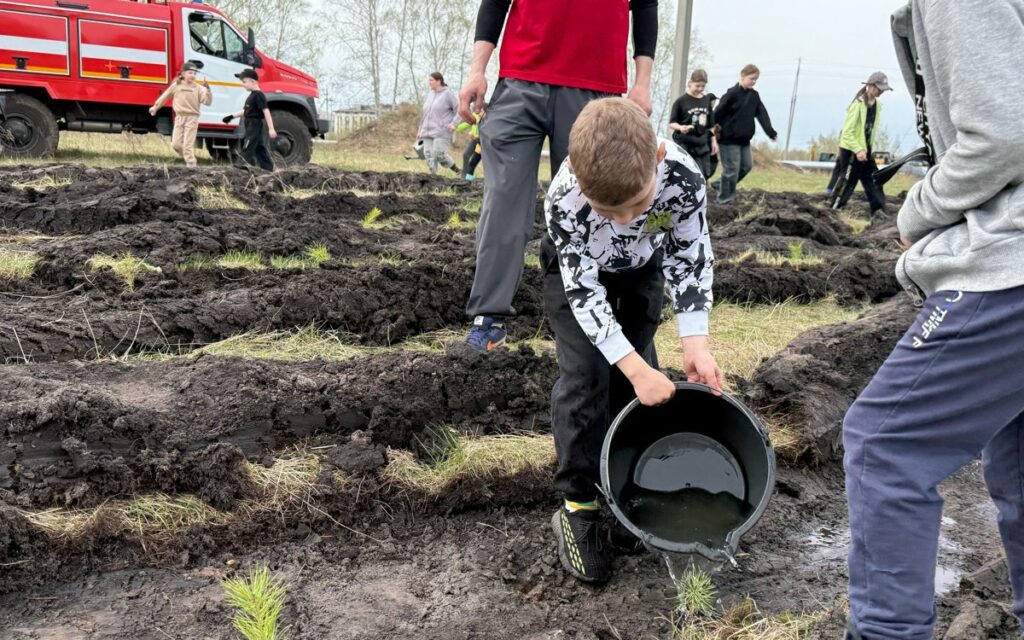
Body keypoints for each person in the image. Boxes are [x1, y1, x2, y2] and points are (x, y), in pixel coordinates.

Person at [843, 2, 1024, 638]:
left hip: (1010, 263)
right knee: (1019, 465)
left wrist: (914, 214)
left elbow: (1002, 134)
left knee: (885, 444)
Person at [544, 98, 722, 583]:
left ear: (657, 162)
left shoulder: (683, 179)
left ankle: (622, 489)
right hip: (579, 279)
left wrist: (695, 341)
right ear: (582, 187)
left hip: (643, 268)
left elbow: (689, 253)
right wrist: (633, 366)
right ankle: (579, 505)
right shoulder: (563, 199)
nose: (623, 219)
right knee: (586, 378)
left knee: (637, 379)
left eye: (638, 205)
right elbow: (584, 293)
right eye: (608, 210)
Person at [459, 0, 659, 352]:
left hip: (594, 85)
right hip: (520, 81)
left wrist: (642, 83)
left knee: (590, 203)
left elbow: (645, 6)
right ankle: (489, 318)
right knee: (503, 201)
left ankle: (592, 320)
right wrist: (478, 70)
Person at [712, 64, 777, 205]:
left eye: (756, 80)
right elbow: (717, 113)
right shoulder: (731, 94)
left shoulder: (754, 96)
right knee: (731, 170)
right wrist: (709, 131)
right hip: (728, 139)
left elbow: (762, 114)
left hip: (744, 140)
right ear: (742, 76)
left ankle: (719, 184)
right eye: (751, 78)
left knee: (746, 167)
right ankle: (724, 200)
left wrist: (770, 132)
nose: (753, 82)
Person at [830, 72, 891, 215]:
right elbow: (847, 133)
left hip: (866, 150)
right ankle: (834, 209)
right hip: (851, 150)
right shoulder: (857, 105)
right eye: (879, 88)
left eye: (883, 89)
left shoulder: (878, 105)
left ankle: (878, 211)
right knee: (849, 181)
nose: (881, 92)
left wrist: (865, 149)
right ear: (869, 85)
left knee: (875, 179)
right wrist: (858, 150)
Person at [149, 62, 212, 169]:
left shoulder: (199, 88)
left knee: (188, 145)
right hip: (179, 118)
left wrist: (208, 91)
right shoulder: (176, 86)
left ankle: (191, 165)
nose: (193, 75)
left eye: (195, 73)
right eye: (190, 73)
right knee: (176, 144)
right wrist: (155, 107)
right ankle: (190, 158)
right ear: (183, 74)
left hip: (192, 118)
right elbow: (165, 97)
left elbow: (207, 102)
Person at [222, 68, 276, 172]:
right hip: (251, 123)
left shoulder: (259, 95)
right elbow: (246, 111)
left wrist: (271, 129)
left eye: (244, 82)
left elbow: (266, 111)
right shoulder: (252, 95)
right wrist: (231, 116)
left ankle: (240, 166)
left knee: (248, 144)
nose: (243, 84)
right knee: (259, 147)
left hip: (255, 124)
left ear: (253, 81)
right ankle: (268, 169)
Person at [669, 69, 718, 178]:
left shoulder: (706, 101)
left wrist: (713, 141)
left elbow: (710, 125)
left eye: (703, 86)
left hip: (702, 144)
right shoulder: (681, 102)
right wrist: (681, 127)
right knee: (686, 173)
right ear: (690, 83)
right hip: (686, 143)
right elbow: (672, 123)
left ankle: (700, 193)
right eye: (697, 86)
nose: (700, 89)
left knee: (704, 174)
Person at [416, 72, 461, 177]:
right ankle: (433, 177)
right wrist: (420, 130)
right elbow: (425, 114)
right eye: (429, 80)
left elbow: (459, 110)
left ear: (438, 81)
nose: (429, 83)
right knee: (429, 155)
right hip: (427, 131)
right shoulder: (430, 94)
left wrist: (454, 124)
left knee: (439, 155)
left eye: (431, 80)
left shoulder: (448, 94)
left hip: (442, 131)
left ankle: (458, 171)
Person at [456, 111, 483, 181]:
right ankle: (465, 177)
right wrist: (455, 128)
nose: (479, 111)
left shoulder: (488, 118)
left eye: (481, 110)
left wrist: (476, 136)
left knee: (474, 162)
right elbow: (466, 123)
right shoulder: (475, 114)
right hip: (475, 140)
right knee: (466, 156)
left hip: (482, 141)